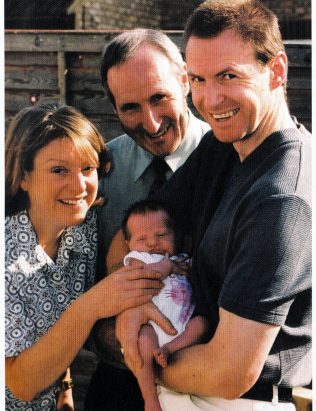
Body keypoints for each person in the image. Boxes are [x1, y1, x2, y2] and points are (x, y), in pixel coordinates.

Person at [112, 1, 311, 410]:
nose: (211, 99)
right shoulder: (223, 146)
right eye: (199, 79)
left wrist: (142, 355)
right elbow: (134, 233)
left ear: (276, 71)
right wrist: (128, 307)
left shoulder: (282, 198)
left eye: (229, 76)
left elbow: (230, 372)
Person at [5, 103, 165, 410]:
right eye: (59, 170)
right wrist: (90, 307)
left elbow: (50, 330)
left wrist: (64, 390)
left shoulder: (83, 227)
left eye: (87, 169)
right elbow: (21, 384)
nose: (79, 187)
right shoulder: (7, 258)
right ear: (23, 176)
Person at [85, 28, 210, 410]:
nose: (151, 123)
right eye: (131, 108)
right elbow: (76, 288)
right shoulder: (95, 173)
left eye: (159, 98)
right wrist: (122, 341)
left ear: (185, 81)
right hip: (119, 379)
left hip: (210, 384)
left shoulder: (230, 160)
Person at [121, 200, 208, 411]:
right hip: (152, 329)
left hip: (182, 330)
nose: (152, 243)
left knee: (202, 323)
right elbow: (147, 274)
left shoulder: (181, 259)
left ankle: (168, 350)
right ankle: (150, 398)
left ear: (175, 236)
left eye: (161, 235)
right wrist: (168, 266)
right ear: (128, 244)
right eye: (142, 238)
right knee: (142, 338)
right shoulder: (136, 259)